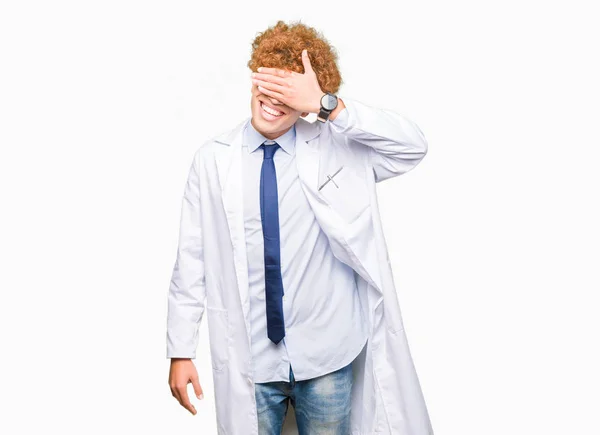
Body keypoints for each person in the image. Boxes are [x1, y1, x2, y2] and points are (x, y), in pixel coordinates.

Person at [167, 20, 434, 435]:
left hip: (327, 353)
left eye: (290, 94)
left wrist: (328, 105)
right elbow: (191, 259)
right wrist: (181, 351)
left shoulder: (337, 147)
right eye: (268, 84)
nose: (274, 101)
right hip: (251, 359)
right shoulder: (212, 160)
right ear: (254, 77)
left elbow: (412, 147)